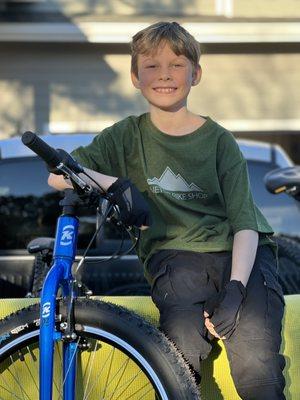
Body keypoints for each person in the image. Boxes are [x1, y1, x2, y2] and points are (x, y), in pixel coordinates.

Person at [48, 21, 286, 400]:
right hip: (174, 260)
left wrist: (237, 289)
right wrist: (113, 183)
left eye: (176, 64)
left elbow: (244, 222)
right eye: (152, 66)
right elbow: (58, 177)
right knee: (178, 363)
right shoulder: (125, 136)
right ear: (135, 77)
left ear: (196, 73)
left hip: (239, 259)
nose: (164, 75)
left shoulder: (219, 141)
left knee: (257, 368)